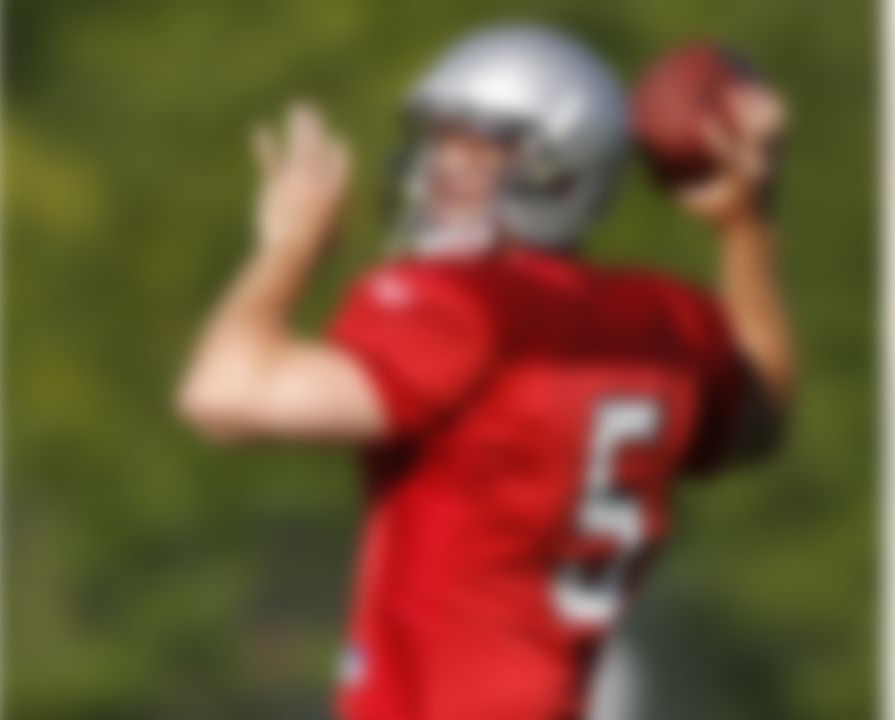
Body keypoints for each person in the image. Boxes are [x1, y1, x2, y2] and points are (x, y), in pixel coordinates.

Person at [177, 25, 793, 720]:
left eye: (479, 150)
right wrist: (747, 229)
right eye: (441, 142)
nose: (442, 169)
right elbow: (761, 415)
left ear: (564, 169)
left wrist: (286, 247)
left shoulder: (463, 308)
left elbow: (223, 395)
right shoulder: (665, 324)